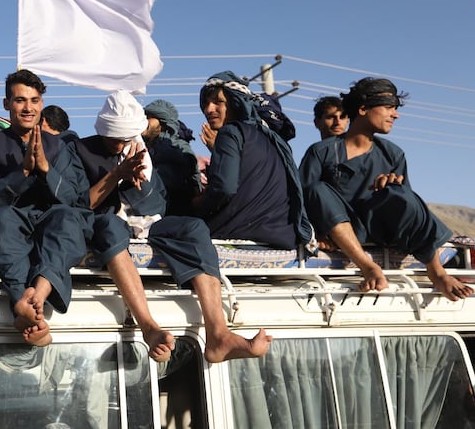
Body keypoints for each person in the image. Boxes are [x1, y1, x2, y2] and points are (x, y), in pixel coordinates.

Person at [70, 91, 272, 362]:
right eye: (115, 138)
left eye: (126, 137)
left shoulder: (142, 147)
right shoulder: (80, 150)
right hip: (109, 223)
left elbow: (157, 200)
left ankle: (218, 334)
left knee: (194, 229)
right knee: (109, 227)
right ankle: (149, 328)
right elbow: (80, 204)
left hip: (150, 224)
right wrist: (117, 175)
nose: (121, 144)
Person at [299, 77, 473, 300]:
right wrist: (318, 232)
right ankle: (368, 266)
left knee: (400, 194)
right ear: (363, 109)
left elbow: (409, 209)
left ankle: (437, 272)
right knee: (317, 189)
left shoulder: (393, 154)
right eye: (389, 108)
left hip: (381, 229)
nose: (395, 115)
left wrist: (391, 188)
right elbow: (302, 197)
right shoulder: (321, 152)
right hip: (341, 229)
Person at [0, 69, 93, 347]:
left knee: (67, 218)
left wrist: (45, 169)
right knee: (1, 218)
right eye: (20, 100)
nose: (28, 108)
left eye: (34, 100)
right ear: (7, 104)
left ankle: (36, 296)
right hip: (13, 219)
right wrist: (23, 171)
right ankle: (25, 304)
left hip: (51, 219)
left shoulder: (58, 147)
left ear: (41, 104)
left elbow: (74, 198)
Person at [193, 71, 313, 249]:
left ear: (235, 102)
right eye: (206, 103)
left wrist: (196, 205)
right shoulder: (273, 140)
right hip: (281, 236)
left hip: (241, 233)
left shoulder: (230, 132)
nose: (209, 109)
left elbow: (224, 188)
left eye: (218, 102)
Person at [142, 100, 201, 216]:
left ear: (164, 123)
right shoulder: (145, 146)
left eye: (149, 117)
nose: (144, 121)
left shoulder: (176, 148)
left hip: (169, 214)